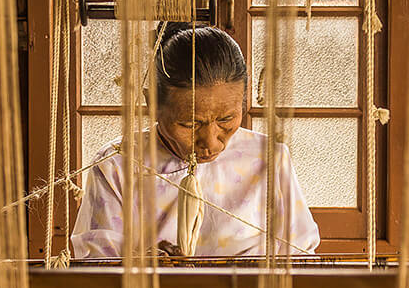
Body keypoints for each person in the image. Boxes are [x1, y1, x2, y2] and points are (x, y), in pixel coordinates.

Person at [71, 23, 320, 258]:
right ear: (153, 104)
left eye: (226, 120)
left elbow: (300, 254)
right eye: (190, 124)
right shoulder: (117, 165)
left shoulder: (268, 158)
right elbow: (97, 264)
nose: (210, 143)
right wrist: (138, 263)